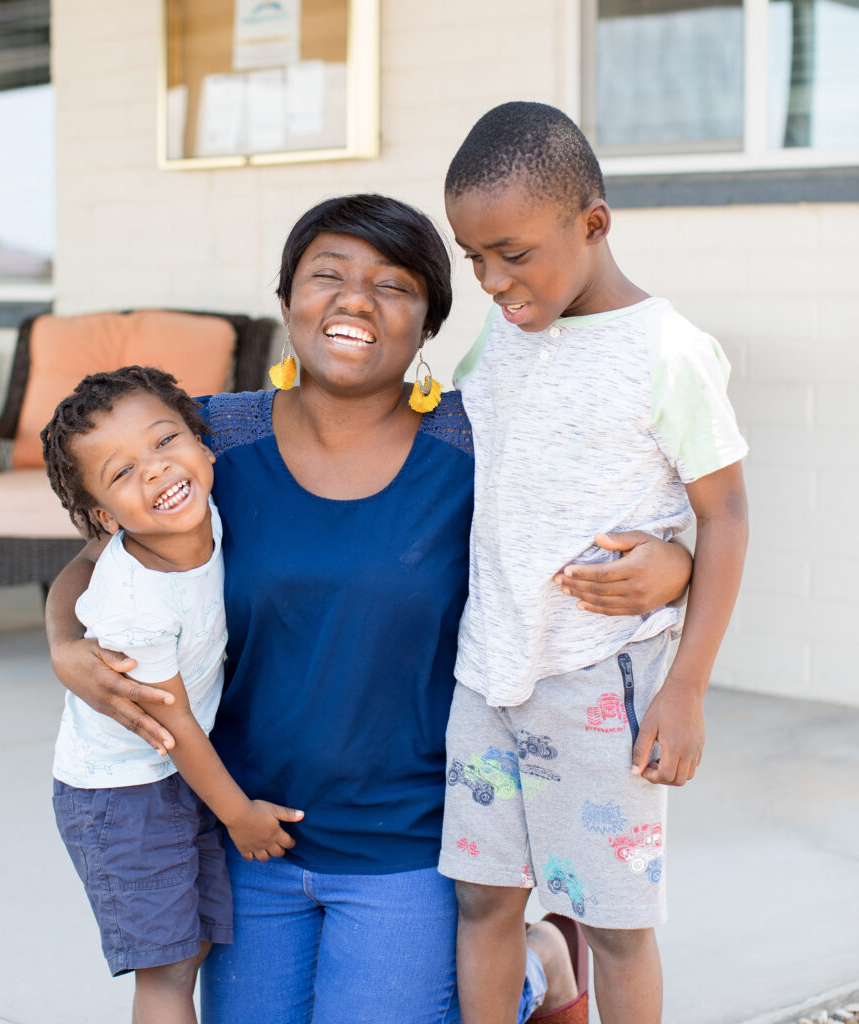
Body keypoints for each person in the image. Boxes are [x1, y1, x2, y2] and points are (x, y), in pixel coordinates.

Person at [44, 194, 694, 1024]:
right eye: (328, 276)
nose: (356, 300)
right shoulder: (208, 441)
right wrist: (63, 644)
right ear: (288, 299)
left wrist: (676, 565)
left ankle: (538, 965)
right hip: (253, 833)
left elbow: (596, 527)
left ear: (428, 325)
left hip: (410, 841)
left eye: (393, 286)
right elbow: (94, 561)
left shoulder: (476, 440)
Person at [437, 102, 750, 1024]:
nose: (493, 281)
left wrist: (686, 688)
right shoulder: (501, 335)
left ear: (594, 223)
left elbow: (726, 514)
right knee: (484, 900)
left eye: (512, 253)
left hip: (599, 681)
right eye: (473, 258)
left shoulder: (667, 353)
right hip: (487, 671)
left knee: (613, 921)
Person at [41, 366, 303, 1024]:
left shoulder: (204, 511)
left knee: (195, 947)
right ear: (105, 518)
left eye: (164, 442)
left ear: (204, 446)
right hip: (122, 793)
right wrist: (239, 815)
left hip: (176, 773)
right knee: (167, 971)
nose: (156, 469)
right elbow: (173, 722)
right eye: (123, 472)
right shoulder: (137, 602)